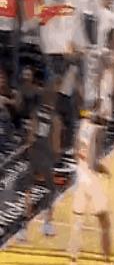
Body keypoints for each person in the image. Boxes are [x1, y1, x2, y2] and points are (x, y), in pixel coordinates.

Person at [67, 109, 114, 265]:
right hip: (92, 180)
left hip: (80, 178)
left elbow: (75, 152)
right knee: (105, 224)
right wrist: (105, 170)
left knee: (77, 224)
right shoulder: (97, 131)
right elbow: (93, 162)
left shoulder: (82, 125)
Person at [19, 87, 61, 240]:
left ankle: (24, 228)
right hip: (47, 156)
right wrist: (57, 156)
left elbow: (31, 136)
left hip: (34, 154)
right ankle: (47, 225)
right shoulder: (55, 119)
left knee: (28, 190)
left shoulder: (36, 113)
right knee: (51, 190)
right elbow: (56, 143)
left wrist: (29, 148)